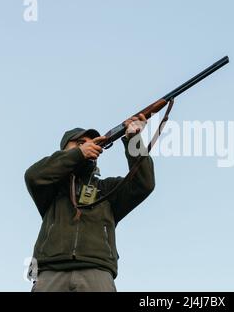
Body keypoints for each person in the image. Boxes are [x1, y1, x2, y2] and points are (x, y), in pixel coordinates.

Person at [24, 114, 154, 292]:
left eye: (91, 142)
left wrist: (133, 139)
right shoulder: (51, 186)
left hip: (97, 271)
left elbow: (143, 183)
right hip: (49, 272)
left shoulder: (107, 189)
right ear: (64, 150)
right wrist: (79, 155)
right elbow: (33, 176)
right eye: (79, 143)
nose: (88, 145)